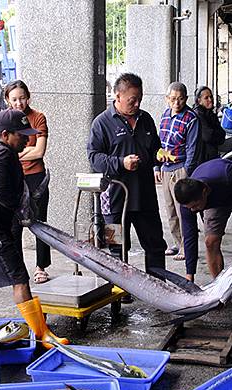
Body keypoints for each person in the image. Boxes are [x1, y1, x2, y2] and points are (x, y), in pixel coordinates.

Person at [0, 109, 68, 348]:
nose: (27, 140)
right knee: (19, 279)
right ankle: (42, 334)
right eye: (22, 135)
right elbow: (0, 191)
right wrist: (22, 211)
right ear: (7, 134)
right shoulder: (3, 155)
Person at [87, 73, 167, 275]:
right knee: (117, 248)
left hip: (145, 195)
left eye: (140, 99)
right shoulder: (102, 123)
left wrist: (160, 155)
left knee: (155, 245)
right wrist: (121, 163)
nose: (137, 104)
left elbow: (154, 148)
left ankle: (158, 289)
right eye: (132, 100)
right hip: (115, 198)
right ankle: (119, 293)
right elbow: (94, 158)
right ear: (117, 96)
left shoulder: (145, 118)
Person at [5, 80, 52, 284]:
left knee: (39, 223)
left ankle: (41, 266)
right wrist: (25, 153)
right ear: (7, 100)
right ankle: (18, 270)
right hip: (13, 178)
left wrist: (13, 153)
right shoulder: (4, 120)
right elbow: (4, 151)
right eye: (14, 99)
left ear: (28, 96)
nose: (19, 103)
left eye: (22, 98)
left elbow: (39, 151)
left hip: (36, 178)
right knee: (13, 226)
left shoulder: (38, 118)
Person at [157, 82, 200, 261]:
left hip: (181, 168)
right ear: (167, 99)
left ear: (186, 99)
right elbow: (159, 144)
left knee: (183, 211)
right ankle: (177, 242)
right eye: (173, 99)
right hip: (165, 169)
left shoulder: (191, 118)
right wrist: (156, 166)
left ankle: (186, 247)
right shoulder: (165, 116)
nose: (177, 103)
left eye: (181, 99)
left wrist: (186, 171)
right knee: (170, 210)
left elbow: (192, 148)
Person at [193, 86, 225, 163]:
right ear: (199, 101)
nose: (210, 100)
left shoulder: (211, 114)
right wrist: (216, 133)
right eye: (206, 98)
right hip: (202, 159)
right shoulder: (198, 115)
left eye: (211, 97)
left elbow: (222, 134)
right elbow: (208, 136)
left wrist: (216, 133)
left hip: (212, 156)